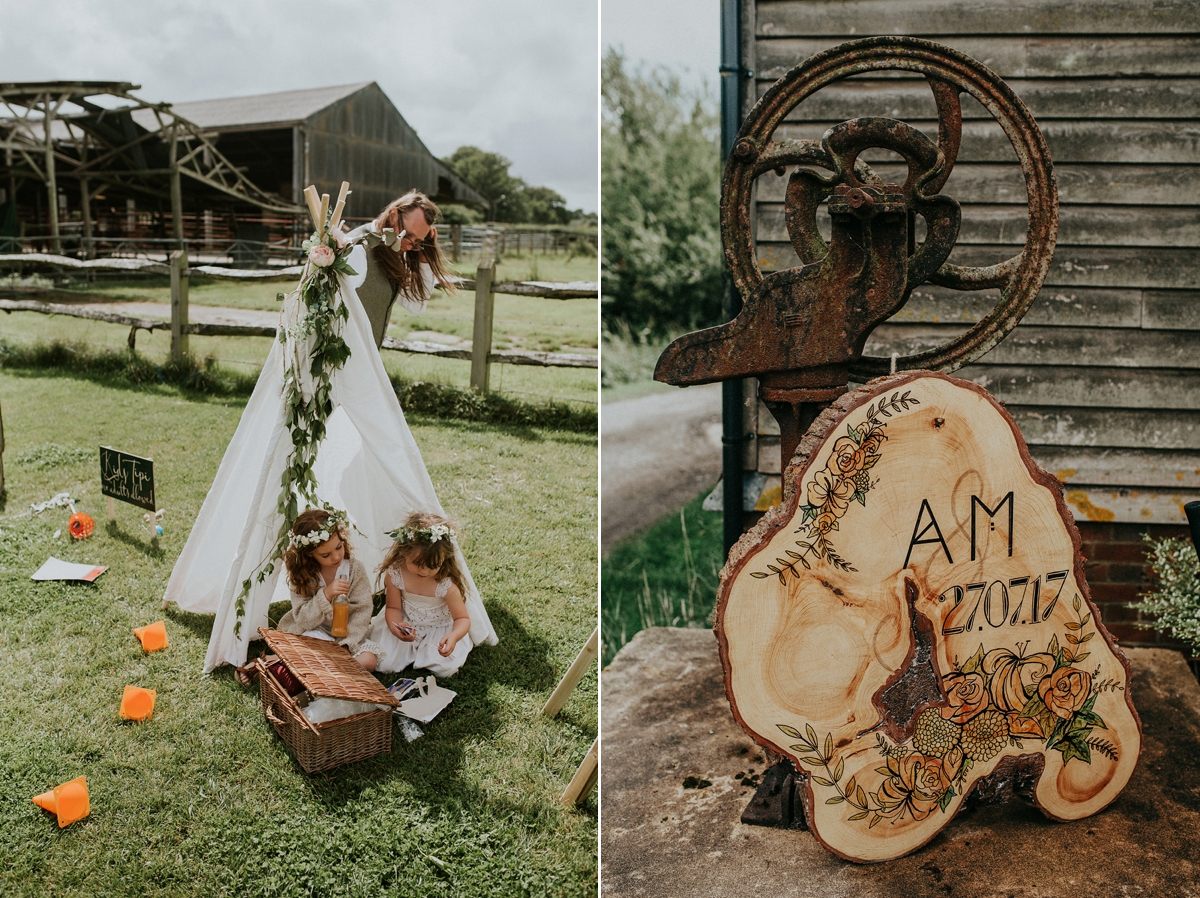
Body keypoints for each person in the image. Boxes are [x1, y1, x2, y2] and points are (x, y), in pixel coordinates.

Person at [345, 191, 459, 348]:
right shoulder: (355, 250)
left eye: (417, 241)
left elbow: (416, 306)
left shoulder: (398, 250)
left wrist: (424, 257)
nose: (408, 246)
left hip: (367, 360)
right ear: (393, 215)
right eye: (408, 235)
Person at [276, 508, 382, 670]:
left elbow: (362, 612)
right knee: (313, 654)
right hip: (312, 632)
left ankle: (326, 673)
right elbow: (304, 620)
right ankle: (280, 667)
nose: (336, 557)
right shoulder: (302, 575)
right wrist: (325, 595)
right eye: (325, 555)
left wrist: (347, 646)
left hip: (346, 636)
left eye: (339, 547)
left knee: (368, 661)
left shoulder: (354, 570)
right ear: (310, 554)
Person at [369, 512, 473, 677]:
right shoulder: (396, 573)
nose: (424, 571)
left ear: (443, 560)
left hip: (438, 628)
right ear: (405, 552)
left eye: (432, 566)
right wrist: (396, 627)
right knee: (384, 662)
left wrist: (453, 636)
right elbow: (393, 607)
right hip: (406, 622)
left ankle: (425, 652)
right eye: (417, 564)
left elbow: (462, 619)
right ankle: (406, 650)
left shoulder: (446, 585)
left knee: (444, 667)